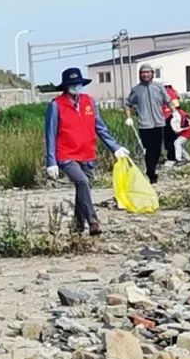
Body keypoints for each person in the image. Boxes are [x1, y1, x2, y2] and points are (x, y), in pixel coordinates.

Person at [44, 68, 129, 236]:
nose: (76, 87)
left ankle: (77, 226)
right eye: (72, 84)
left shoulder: (88, 101)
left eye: (78, 84)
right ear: (66, 87)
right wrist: (51, 161)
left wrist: (115, 147)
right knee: (82, 182)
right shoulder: (56, 105)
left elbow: (100, 127)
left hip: (87, 153)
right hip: (66, 154)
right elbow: (50, 134)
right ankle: (93, 220)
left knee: (84, 190)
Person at [124, 65, 170, 183]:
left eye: (148, 72)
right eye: (143, 73)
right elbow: (128, 104)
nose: (145, 75)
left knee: (158, 149)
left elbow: (168, 101)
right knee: (148, 150)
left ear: (152, 73)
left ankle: (151, 170)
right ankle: (151, 174)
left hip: (159, 123)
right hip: (144, 124)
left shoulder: (158, 87)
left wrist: (175, 113)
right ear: (140, 74)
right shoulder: (136, 89)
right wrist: (128, 117)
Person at [161, 84, 182, 165]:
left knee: (170, 138)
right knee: (169, 138)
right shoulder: (170, 91)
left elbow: (176, 106)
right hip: (166, 117)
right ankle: (171, 156)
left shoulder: (169, 92)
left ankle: (172, 157)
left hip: (169, 117)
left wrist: (175, 114)